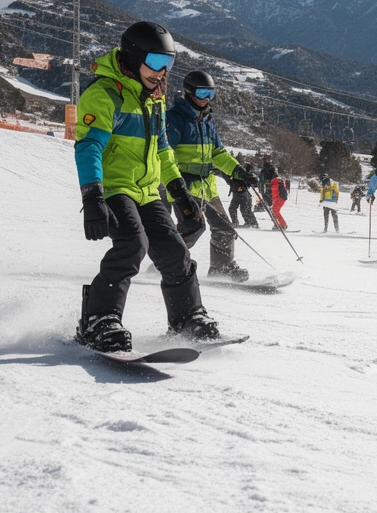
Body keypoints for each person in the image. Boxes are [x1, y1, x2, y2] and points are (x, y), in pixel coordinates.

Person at [73, 20, 219, 352]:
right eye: (155, 63)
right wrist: (93, 196)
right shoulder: (104, 94)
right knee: (132, 244)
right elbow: (89, 147)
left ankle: (188, 318)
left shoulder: (153, 98)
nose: (161, 72)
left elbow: (163, 149)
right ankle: (98, 320)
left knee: (175, 251)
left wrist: (180, 193)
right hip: (113, 188)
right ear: (134, 56)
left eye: (168, 64)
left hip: (147, 189)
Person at [165, 69, 258, 283]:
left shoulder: (207, 121)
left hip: (207, 186)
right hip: (184, 186)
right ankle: (169, 262)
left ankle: (221, 267)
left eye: (210, 93)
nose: (206, 99)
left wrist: (237, 171)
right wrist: (175, 182)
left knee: (224, 228)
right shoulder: (175, 119)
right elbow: (165, 153)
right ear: (189, 92)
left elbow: (217, 153)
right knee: (193, 228)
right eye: (201, 93)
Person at [228, 159, 260, 228]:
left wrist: (252, 181)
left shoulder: (244, 174)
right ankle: (248, 223)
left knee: (243, 209)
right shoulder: (236, 173)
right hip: (238, 193)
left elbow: (254, 181)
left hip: (243, 194)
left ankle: (252, 223)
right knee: (238, 209)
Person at [268, 165, 289, 230]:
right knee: (273, 211)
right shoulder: (276, 180)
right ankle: (277, 224)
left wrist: (268, 187)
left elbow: (274, 190)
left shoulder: (276, 180)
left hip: (280, 198)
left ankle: (283, 225)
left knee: (275, 211)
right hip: (279, 198)